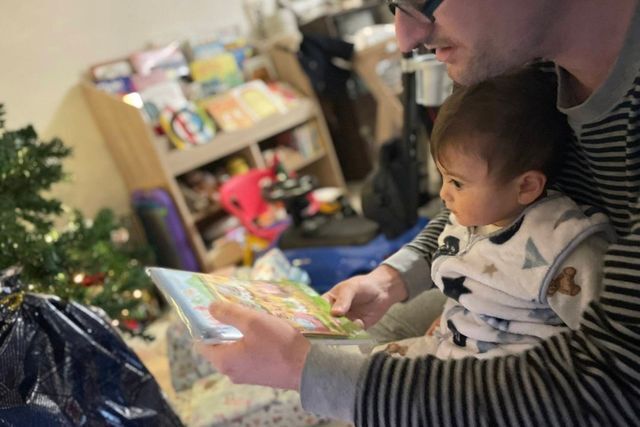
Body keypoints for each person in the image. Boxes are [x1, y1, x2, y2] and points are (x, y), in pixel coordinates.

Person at [199, 0, 640, 424]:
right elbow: (478, 219)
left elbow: (613, 383)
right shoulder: (521, 71)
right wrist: (390, 278)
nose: (405, 37)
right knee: (366, 335)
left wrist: (305, 370)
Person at [376, 68, 613, 360]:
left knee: (368, 392)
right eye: (443, 178)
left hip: (507, 381)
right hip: (454, 342)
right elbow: (474, 288)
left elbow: (604, 343)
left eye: (457, 183)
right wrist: (457, 322)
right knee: (367, 360)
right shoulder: (475, 217)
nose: (443, 194)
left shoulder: (563, 249)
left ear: (526, 186)